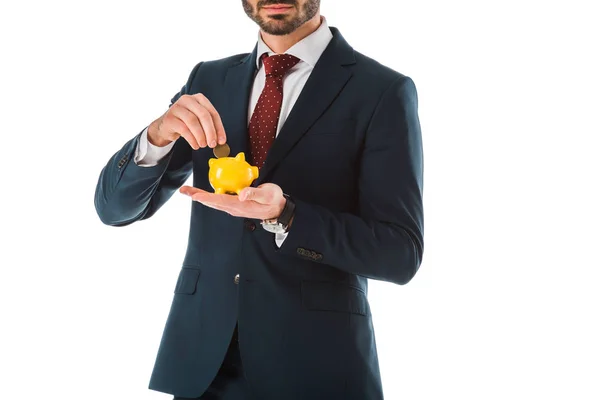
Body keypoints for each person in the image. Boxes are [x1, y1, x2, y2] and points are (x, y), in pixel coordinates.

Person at [94, 0, 424, 399]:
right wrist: (158, 135)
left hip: (317, 369)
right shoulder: (209, 79)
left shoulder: (381, 90)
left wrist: (286, 215)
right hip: (203, 368)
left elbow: (399, 253)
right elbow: (114, 209)